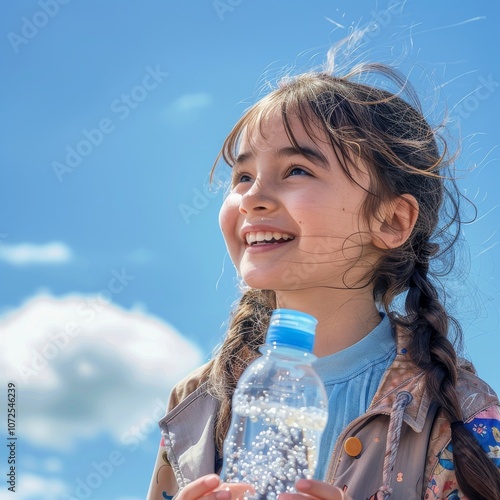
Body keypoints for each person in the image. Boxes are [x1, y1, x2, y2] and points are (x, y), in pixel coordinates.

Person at [146, 50, 500, 499]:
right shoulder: (195, 403)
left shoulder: (461, 411)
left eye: (297, 170)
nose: (253, 197)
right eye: (242, 176)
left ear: (391, 221)